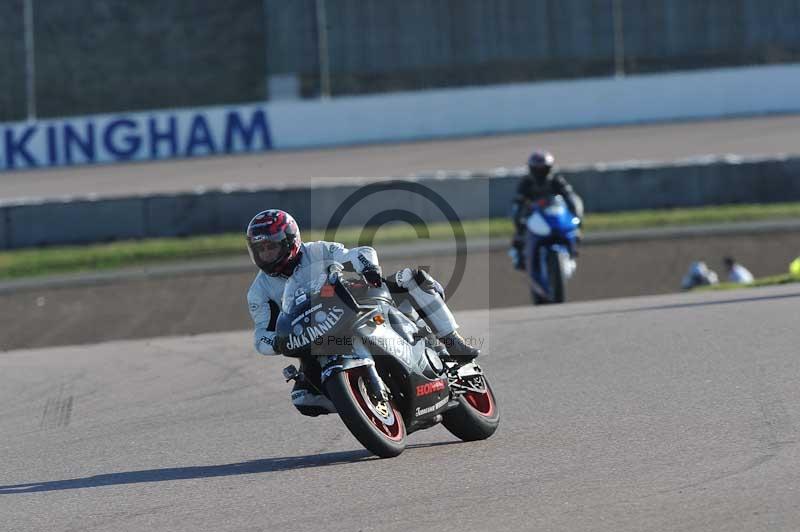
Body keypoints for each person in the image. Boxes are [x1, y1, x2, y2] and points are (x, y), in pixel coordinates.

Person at [245, 209, 480, 417]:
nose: (266, 254)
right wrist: (277, 342)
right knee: (304, 398)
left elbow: (356, 253)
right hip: (312, 338)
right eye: (261, 249)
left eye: (271, 246)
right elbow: (261, 335)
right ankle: (358, 401)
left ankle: (452, 341)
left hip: (348, 307)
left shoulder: (318, 250)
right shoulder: (259, 291)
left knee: (412, 278)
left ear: (290, 241)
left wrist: (368, 268)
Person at [509, 151, 584, 270]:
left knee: (574, 231)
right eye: (537, 170)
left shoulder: (556, 180)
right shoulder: (526, 183)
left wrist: (577, 216)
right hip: (535, 217)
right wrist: (519, 222)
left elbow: (571, 197)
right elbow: (518, 204)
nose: (540, 173)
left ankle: (571, 250)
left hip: (553, 215)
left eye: (543, 170)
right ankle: (520, 258)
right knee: (519, 238)